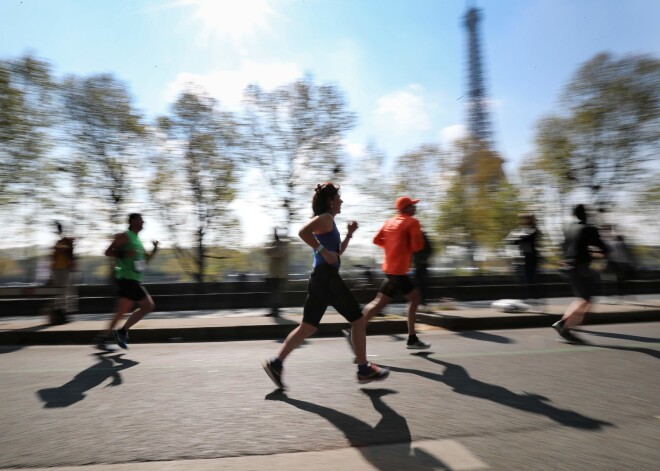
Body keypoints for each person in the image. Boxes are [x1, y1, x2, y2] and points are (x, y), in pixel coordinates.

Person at [262, 182, 389, 389]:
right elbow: (303, 232)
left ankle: (276, 363)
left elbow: (336, 254)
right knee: (357, 320)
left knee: (307, 327)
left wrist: (349, 234)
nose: (342, 201)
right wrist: (323, 250)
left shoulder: (330, 222)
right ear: (330, 201)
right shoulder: (326, 218)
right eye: (338, 197)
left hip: (320, 278)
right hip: (327, 278)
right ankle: (364, 369)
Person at [359, 196, 431, 350]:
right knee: (415, 298)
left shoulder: (389, 222)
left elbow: (376, 240)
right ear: (406, 208)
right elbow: (417, 246)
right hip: (399, 271)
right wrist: (413, 241)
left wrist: (392, 247)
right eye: (412, 205)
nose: (415, 207)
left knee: (379, 302)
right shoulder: (412, 222)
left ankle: (355, 330)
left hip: (390, 269)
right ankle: (412, 339)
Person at [96, 213, 159, 350]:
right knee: (147, 306)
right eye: (141, 220)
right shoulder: (125, 236)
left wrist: (154, 249)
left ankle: (103, 338)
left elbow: (146, 261)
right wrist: (124, 254)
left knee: (122, 312)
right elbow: (107, 252)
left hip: (133, 279)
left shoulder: (137, 239)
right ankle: (121, 332)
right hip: (127, 278)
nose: (143, 222)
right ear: (133, 221)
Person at [552, 204, 608, 343]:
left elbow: (563, 246)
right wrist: (599, 257)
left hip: (568, 267)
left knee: (582, 298)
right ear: (586, 214)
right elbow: (603, 249)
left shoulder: (567, 228)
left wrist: (564, 259)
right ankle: (564, 326)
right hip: (581, 267)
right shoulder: (589, 229)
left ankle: (567, 325)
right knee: (585, 298)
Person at [504, 213, 542, 303]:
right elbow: (508, 240)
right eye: (521, 219)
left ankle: (534, 299)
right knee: (521, 281)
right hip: (519, 259)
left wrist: (515, 237)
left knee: (531, 280)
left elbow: (525, 237)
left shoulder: (534, 230)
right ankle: (523, 300)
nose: (522, 221)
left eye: (525, 219)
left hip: (530, 259)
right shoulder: (517, 230)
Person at [50, 222, 76, 325]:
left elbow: (67, 252)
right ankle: (60, 313)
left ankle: (63, 313)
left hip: (64, 269)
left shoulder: (66, 242)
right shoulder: (59, 243)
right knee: (60, 291)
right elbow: (56, 253)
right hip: (57, 269)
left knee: (64, 291)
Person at [264, 229, 289, 317]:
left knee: (275, 293)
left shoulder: (280, 247)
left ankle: (275, 311)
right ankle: (274, 310)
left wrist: (270, 249)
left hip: (277, 274)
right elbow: (267, 252)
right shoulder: (279, 246)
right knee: (274, 293)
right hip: (275, 274)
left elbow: (268, 252)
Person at [606, 234, 634, 300]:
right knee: (622, 279)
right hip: (624, 264)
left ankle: (615, 293)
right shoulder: (623, 244)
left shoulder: (611, 243)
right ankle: (622, 293)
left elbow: (609, 253)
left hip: (614, 263)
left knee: (615, 279)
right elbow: (628, 254)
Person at [414, 231, 433, 307]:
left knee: (422, 283)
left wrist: (423, 259)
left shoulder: (421, 237)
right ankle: (421, 301)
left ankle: (423, 301)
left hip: (421, 264)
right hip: (418, 265)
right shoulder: (415, 237)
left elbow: (429, 250)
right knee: (420, 283)